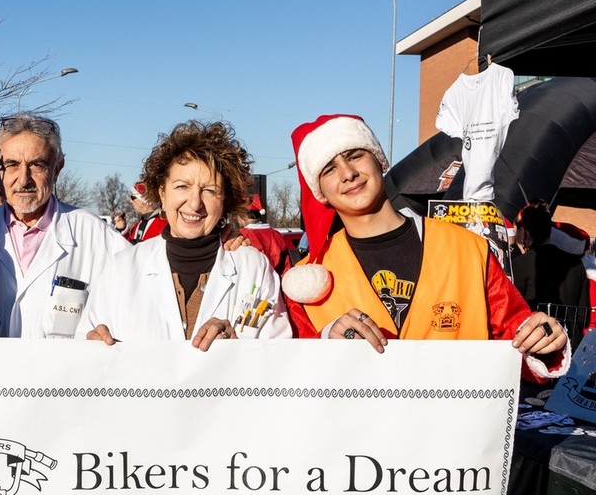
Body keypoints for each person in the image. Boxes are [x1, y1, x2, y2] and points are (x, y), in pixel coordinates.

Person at [281, 114, 567, 379]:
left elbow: (517, 339)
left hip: (459, 415)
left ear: (379, 160)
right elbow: (291, 373)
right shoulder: (307, 284)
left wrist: (543, 341)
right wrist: (327, 341)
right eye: (330, 169)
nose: (348, 173)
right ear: (320, 193)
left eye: (355, 156)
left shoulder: (468, 249)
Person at [81, 121, 291, 348]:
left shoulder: (252, 267)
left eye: (209, 190)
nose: (194, 203)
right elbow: (84, 340)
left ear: (225, 201)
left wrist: (236, 348)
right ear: (162, 193)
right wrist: (90, 346)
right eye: (182, 186)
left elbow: (277, 356)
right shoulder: (121, 268)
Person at [0, 113, 128, 338]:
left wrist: (102, 331)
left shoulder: (96, 236)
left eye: (37, 165)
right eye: (12, 165)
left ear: (57, 168)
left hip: (66, 363)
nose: (24, 179)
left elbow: (138, 301)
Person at [512, 199, 591, 346]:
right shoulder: (576, 263)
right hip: (572, 343)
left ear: (526, 232)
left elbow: (515, 312)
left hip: (537, 344)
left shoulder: (520, 263)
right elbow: (583, 316)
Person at [239, 194, 293, 277]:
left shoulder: (241, 235)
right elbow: (287, 267)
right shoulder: (277, 235)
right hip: (277, 282)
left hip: (251, 283)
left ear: (243, 216)